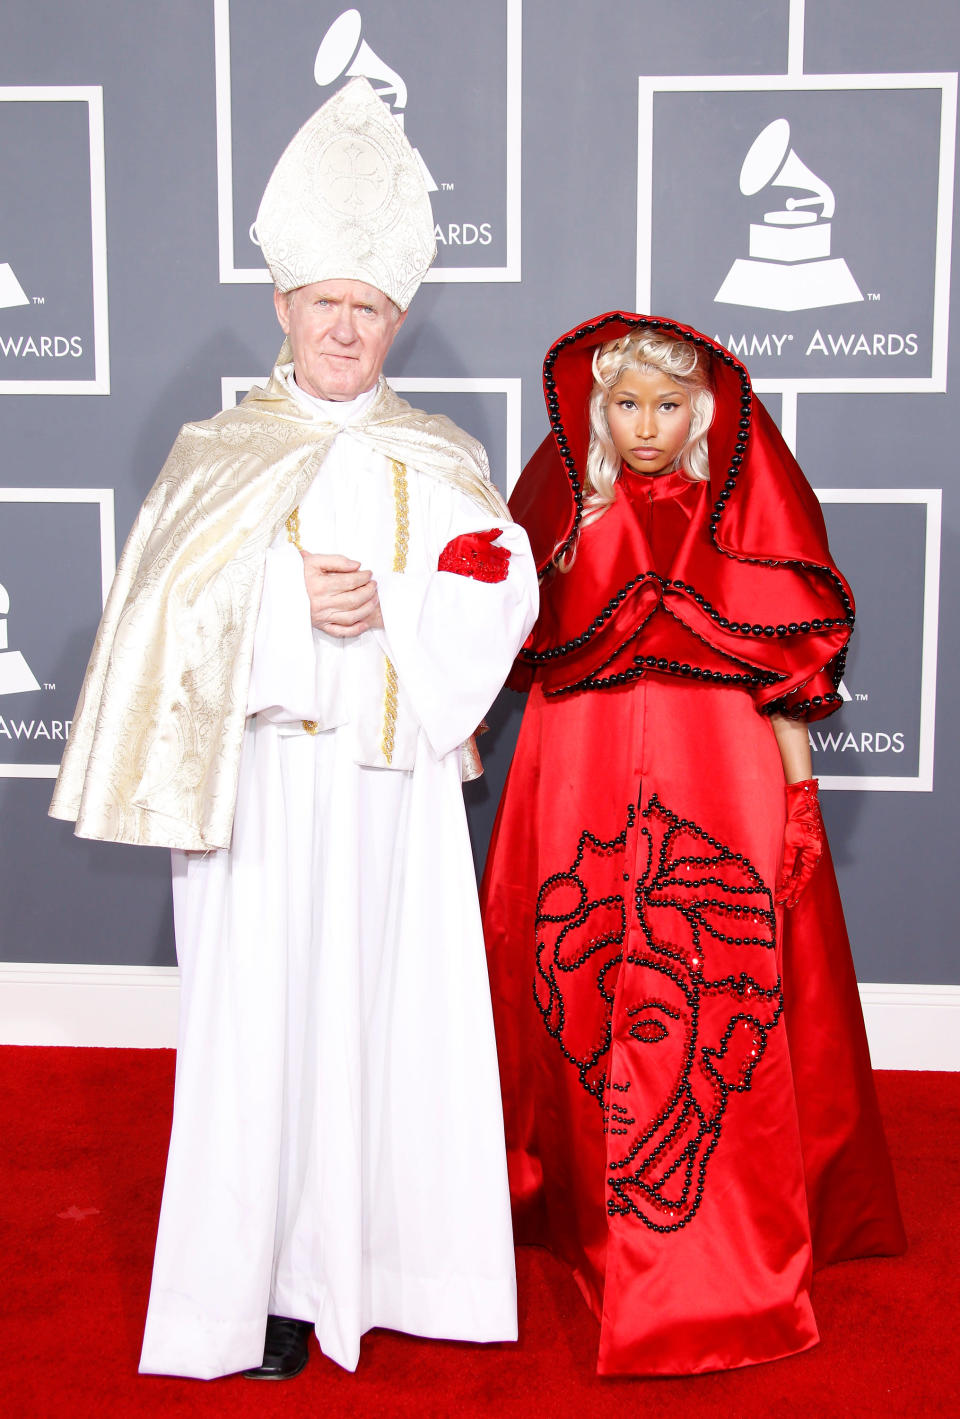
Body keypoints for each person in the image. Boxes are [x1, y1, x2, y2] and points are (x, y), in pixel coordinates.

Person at [50, 79, 538, 1381]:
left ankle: (384, 1270)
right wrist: (278, 599)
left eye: (369, 307)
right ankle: (259, 1290)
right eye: (327, 302)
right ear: (285, 306)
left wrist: (402, 597)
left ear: (396, 316)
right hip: (258, 790)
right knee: (261, 1040)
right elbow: (158, 613)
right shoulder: (218, 451)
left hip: (388, 793)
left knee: (392, 1026)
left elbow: (507, 581)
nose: (346, 328)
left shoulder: (438, 451)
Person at [480, 312, 906, 1376]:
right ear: (597, 410)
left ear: (704, 413)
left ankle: (733, 1238)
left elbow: (782, 669)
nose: (647, 426)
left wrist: (799, 798)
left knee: (721, 993)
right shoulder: (565, 524)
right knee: (575, 980)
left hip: (719, 783)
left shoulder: (738, 519)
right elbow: (501, 651)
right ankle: (560, 1191)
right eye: (626, 404)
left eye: (669, 405)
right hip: (575, 777)